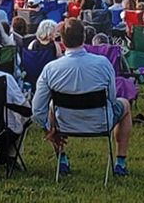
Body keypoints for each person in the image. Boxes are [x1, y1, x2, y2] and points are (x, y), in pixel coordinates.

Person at [32, 18, 133, 177]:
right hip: (100, 122)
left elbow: (37, 109)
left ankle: (62, 158)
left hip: (65, 124)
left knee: (52, 106)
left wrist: (48, 129)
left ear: (62, 41)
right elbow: (112, 99)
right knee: (125, 104)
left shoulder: (51, 69)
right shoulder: (103, 64)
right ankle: (120, 162)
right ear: (84, 37)